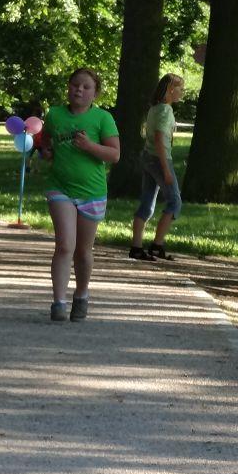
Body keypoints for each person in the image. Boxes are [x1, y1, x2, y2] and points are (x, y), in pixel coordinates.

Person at [40, 68, 120, 323]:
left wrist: (89, 146)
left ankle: (82, 295)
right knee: (65, 245)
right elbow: (46, 142)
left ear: (95, 93)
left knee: (83, 251)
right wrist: (46, 152)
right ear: (68, 87)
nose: (79, 90)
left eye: (86, 87)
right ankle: (58, 303)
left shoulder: (102, 118)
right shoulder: (55, 114)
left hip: (92, 191)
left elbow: (114, 155)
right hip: (60, 188)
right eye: (75, 85)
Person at [128, 73, 184, 262]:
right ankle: (157, 245)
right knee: (175, 201)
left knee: (147, 203)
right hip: (159, 159)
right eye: (180, 89)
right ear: (170, 90)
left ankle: (136, 247)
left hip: (148, 157)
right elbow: (160, 138)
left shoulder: (155, 108)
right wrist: (166, 169)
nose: (182, 93)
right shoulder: (165, 110)